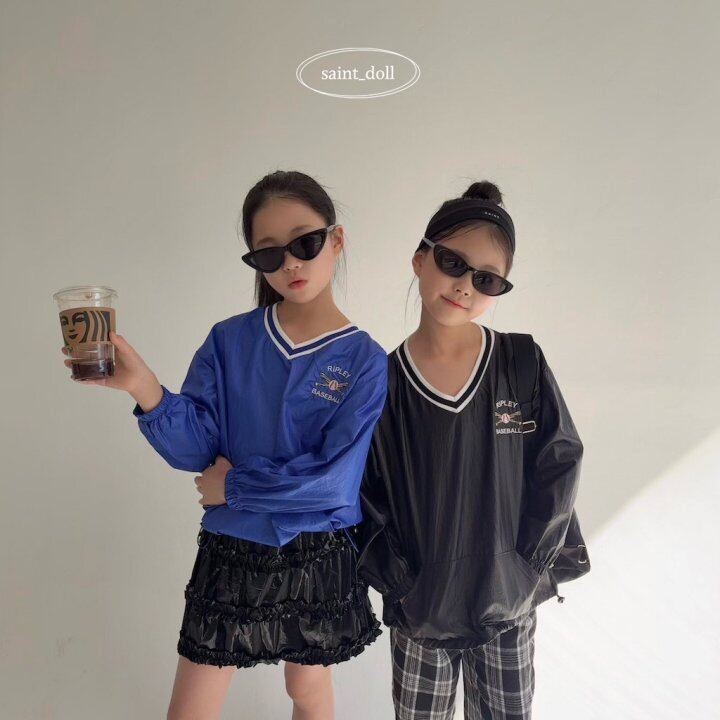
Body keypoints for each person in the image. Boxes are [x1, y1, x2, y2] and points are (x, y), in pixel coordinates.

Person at [62, 170, 387, 720]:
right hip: (232, 549)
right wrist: (145, 388)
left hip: (318, 553)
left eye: (305, 243)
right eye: (269, 253)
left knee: (306, 690)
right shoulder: (230, 340)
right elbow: (196, 451)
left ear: (337, 241)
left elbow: (333, 485)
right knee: (192, 707)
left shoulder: (365, 360)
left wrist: (233, 487)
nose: (290, 264)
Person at [356, 180, 587, 720]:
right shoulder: (382, 383)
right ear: (420, 259)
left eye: (486, 278)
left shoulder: (519, 361)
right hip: (421, 615)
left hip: (508, 607)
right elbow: (364, 495)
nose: (464, 285)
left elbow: (558, 464)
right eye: (452, 263)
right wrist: (403, 587)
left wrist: (526, 569)